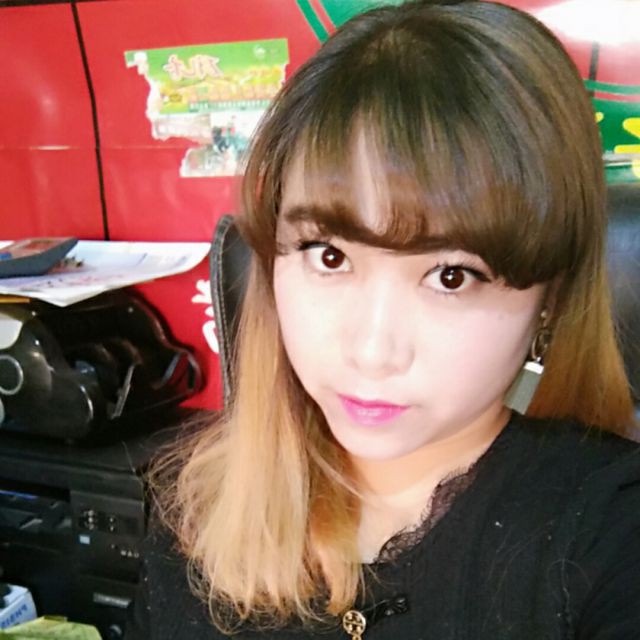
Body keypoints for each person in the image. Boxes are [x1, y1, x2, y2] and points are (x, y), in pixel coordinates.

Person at [126, 1, 640, 638]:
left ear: (550, 298)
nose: (372, 351)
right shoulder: (198, 505)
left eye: (451, 276)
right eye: (330, 256)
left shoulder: (611, 538)